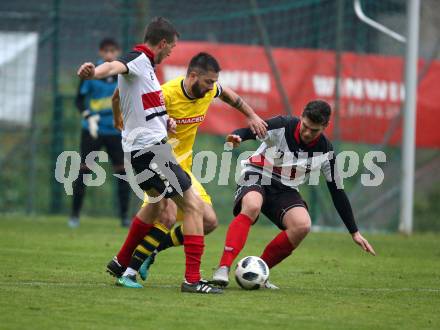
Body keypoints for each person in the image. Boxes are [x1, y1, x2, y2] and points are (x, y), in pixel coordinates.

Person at [77, 17, 221, 294]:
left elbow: (140, 102)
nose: (172, 52)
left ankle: (121, 262)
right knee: (193, 206)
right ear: (163, 43)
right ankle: (192, 280)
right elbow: (114, 65)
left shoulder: (149, 71)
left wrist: (164, 121)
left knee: (158, 208)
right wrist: (93, 72)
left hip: (143, 150)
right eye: (172, 47)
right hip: (152, 151)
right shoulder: (139, 58)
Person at [108, 52, 267, 282]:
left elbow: (230, 96)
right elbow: (119, 95)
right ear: (193, 76)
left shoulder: (210, 90)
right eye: (209, 81)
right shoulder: (166, 93)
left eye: (214, 82)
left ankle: (146, 253)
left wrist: (251, 115)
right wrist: (154, 121)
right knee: (167, 214)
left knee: (209, 222)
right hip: (158, 161)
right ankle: (130, 269)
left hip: (184, 169)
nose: (213, 87)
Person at [212, 100, 376, 289]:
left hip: (286, 189)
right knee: (252, 206)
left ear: (325, 127)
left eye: (314, 130)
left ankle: (259, 273)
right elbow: (247, 131)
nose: (307, 133)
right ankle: (223, 267)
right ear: (301, 117)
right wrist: (237, 136)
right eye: (305, 126)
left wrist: (354, 232)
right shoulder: (282, 125)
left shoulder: (326, 151)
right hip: (257, 173)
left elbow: (337, 191)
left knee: (302, 225)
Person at [69, 38, 130, 228]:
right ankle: (74, 216)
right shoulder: (91, 73)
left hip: (114, 131)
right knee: (84, 171)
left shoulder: (123, 73)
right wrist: (88, 115)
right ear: (100, 52)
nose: (109, 54)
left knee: (122, 172)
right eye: (106, 51)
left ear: (118, 51)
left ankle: (124, 217)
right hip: (92, 130)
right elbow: (79, 100)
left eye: (113, 51)